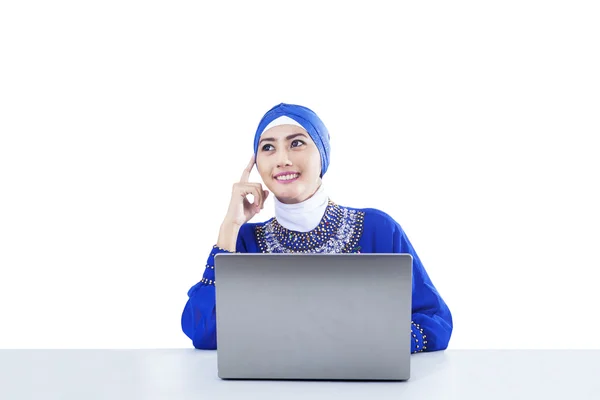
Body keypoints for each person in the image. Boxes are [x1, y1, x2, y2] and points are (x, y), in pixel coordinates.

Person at [181, 103, 453, 354]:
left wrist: (378, 344)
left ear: (322, 154)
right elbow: (203, 333)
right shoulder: (244, 243)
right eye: (268, 148)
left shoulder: (378, 229)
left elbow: (436, 320)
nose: (282, 159)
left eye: (296, 143)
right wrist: (230, 225)